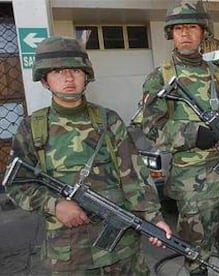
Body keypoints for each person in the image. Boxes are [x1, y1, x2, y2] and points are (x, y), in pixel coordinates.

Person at [5, 36, 172, 275]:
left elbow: (135, 176)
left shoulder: (108, 120)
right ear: (44, 80)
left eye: (75, 70)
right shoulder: (32, 128)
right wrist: (55, 205)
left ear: (86, 76)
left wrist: (154, 219)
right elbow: (16, 184)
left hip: (122, 251)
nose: (69, 78)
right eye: (58, 71)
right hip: (70, 256)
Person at [141, 1, 219, 275]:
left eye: (191, 27)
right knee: (196, 252)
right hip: (194, 187)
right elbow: (150, 127)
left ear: (203, 33)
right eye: (178, 29)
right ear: (171, 34)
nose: (185, 34)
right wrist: (192, 134)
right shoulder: (160, 77)